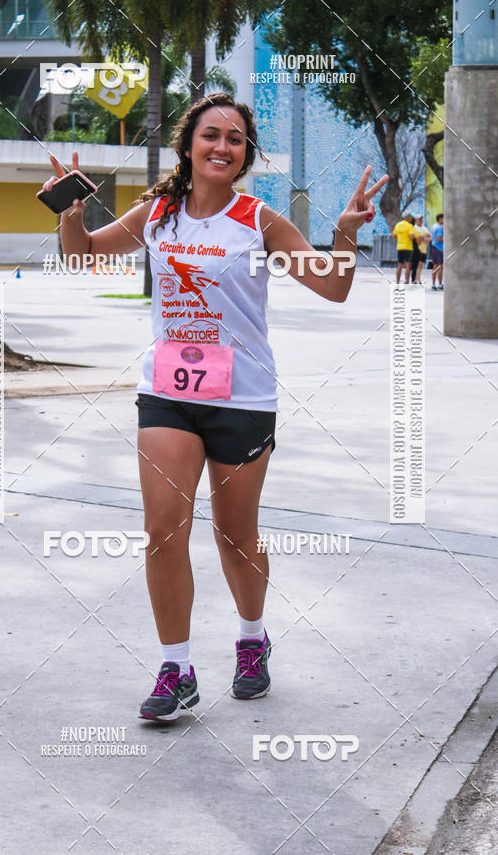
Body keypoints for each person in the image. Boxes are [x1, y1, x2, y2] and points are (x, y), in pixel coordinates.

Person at [42, 93, 388, 722]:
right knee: (163, 528)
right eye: (211, 135)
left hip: (243, 397)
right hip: (169, 393)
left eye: (235, 139)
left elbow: (331, 286)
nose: (222, 147)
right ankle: (176, 666)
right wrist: (70, 211)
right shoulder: (157, 213)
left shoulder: (259, 221)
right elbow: (83, 252)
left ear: (245, 154)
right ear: (189, 145)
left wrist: (343, 233)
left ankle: (252, 637)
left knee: (235, 534)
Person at [392, 213, 415, 284]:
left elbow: (394, 236)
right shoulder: (410, 225)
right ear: (407, 217)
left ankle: (397, 282)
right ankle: (407, 281)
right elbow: (411, 237)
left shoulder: (398, 225)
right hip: (408, 248)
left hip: (400, 247)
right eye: (411, 217)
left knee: (399, 265)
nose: (412, 218)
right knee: (408, 266)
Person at [411, 214, 431, 285]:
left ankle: (418, 279)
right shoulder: (415, 228)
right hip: (417, 250)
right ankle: (415, 279)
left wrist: (424, 238)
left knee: (421, 265)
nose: (421, 220)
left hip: (424, 250)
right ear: (416, 220)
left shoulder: (424, 228)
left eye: (422, 219)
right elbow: (418, 238)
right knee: (417, 265)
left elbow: (429, 236)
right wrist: (423, 238)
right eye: (419, 219)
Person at [431, 213, 444, 290]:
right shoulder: (439, 227)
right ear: (440, 219)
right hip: (439, 248)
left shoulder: (434, 226)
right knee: (440, 267)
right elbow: (439, 238)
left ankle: (433, 284)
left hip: (434, 247)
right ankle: (440, 284)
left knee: (435, 266)